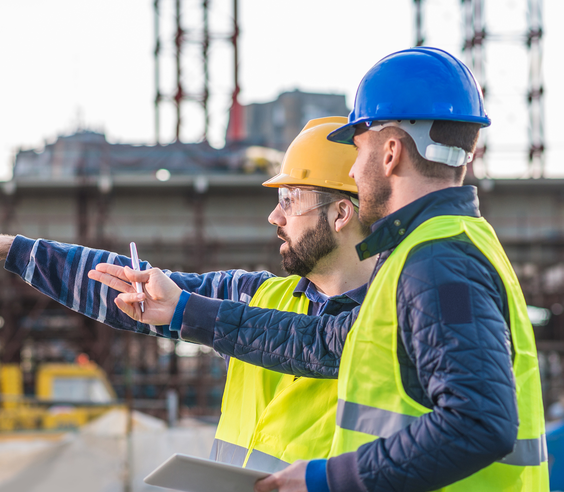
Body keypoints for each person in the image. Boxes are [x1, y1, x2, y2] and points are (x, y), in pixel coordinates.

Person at [94, 47, 548, 492]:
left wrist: (327, 479)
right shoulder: (431, 249)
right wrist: (184, 311)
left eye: (357, 149)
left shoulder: (440, 263)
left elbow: (478, 423)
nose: (353, 168)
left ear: (390, 153)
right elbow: (323, 342)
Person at [0, 116, 375, 473]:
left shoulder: (396, 318)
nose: (274, 217)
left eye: (289, 201)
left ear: (339, 213)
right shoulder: (254, 296)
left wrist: (186, 310)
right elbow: (132, 289)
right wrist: (10, 250)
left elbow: (321, 342)